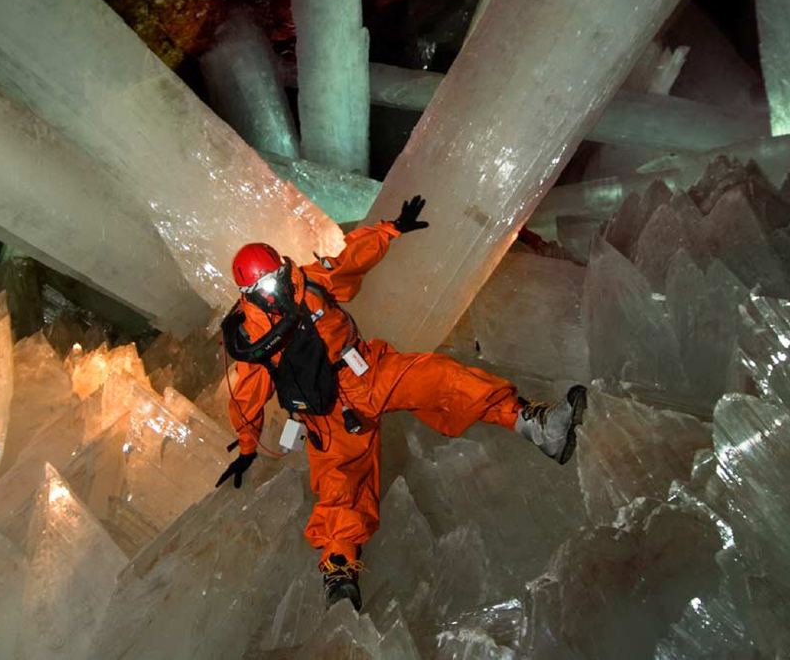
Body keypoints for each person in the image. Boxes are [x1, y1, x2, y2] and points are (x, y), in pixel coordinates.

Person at [214, 195, 586, 611]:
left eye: (277, 274)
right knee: (340, 488)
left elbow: (350, 259)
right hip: (327, 414)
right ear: (249, 291)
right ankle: (340, 574)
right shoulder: (253, 339)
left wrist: (389, 229)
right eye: (266, 283)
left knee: (444, 377)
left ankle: (535, 425)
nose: (277, 285)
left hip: (367, 371)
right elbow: (246, 394)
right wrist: (248, 447)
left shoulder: (308, 282)